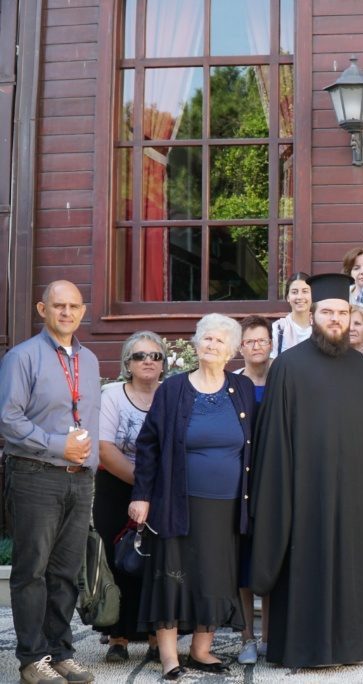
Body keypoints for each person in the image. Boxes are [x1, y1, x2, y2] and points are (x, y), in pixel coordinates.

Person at [249, 273, 363, 667]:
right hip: (305, 490)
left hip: (355, 491)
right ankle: (305, 648)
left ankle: (355, 645)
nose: (335, 319)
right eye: (327, 312)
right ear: (312, 316)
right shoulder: (288, 366)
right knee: (307, 564)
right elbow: (275, 437)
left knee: (354, 564)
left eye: (342, 313)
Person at [129, 314, 255, 680]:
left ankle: (201, 650)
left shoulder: (242, 388)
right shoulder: (173, 389)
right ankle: (170, 657)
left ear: (231, 351)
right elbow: (148, 445)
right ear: (196, 344)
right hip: (176, 501)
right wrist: (142, 495)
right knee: (173, 576)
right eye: (207, 338)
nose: (212, 345)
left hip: (227, 505)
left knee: (215, 576)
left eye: (220, 340)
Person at [0, 280, 100, 684]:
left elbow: (88, 418)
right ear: (42, 309)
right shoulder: (22, 357)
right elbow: (8, 418)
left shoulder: (89, 360)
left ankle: (60, 652)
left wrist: (89, 464)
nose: (66, 312)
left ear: (82, 311)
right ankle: (32, 659)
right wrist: (59, 446)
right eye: (59, 305)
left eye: (74, 306)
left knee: (66, 572)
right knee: (33, 571)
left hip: (79, 481)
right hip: (35, 475)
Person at [94, 332, 166, 664]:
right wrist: (143, 484)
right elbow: (105, 448)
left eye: (155, 355)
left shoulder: (171, 393)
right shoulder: (112, 394)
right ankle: (118, 636)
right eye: (140, 356)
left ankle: (156, 636)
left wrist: (152, 488)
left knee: (157, 562)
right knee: (118, 560)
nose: (148, 361)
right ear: (127, 363)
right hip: (117, 485)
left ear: (163, 363)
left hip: (161, 491)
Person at [234, 316, 273, 664]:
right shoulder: (233, 384)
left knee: (272, 556)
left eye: (262, 340)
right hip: (241, 483)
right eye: (250, 341)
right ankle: (247, 636)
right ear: (240, 347)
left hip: (276, 480)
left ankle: (270, 636)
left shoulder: (283, 378)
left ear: (271, 344)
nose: (256, 346)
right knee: (244, 560)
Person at [270, 272, 312, 359]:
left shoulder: (320, 326)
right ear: (288, 297)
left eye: (305, 291)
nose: (299, 297)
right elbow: (272, 362)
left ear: (312, 295)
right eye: (294, 292)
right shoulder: (278, 328)